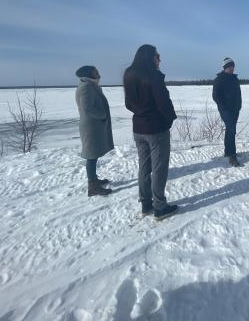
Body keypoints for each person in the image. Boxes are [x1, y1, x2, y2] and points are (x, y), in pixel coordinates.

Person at [123, 44, 178, 221]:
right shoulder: (153, 75)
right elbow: (163, 102)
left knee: (144, 167)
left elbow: (128, 104)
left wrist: (141, 113)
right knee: (159, 168)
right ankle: (160, 207)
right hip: (156, 128)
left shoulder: (129, 74)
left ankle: (146, 203)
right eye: (157, 56)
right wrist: (169, 119)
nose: (159, 59)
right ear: (150, 57)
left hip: (138, 128)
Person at [75, 65, 114, 197]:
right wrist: (102, 115)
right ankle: (92, 186)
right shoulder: (86, 87)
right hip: (91, 127)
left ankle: (94, 180)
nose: (99, 74)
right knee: (91, 156)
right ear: (89, 74)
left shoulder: (88, 85)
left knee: (93, 155)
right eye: (96, 72)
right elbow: (87, 108)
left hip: (93, 126)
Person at [212, 57, 242, 167]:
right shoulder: (219, 79)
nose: (232, 68)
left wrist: (239, 106)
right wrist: (224, 107)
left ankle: (227, 151)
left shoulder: (234, 79)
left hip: (235, 109)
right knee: (231, 129)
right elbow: (215, 96)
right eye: (230, 66)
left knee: (231, 130)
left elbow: (238, 94)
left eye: (233, 66)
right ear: (225, 67)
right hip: (225, 110)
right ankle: (232, 155)